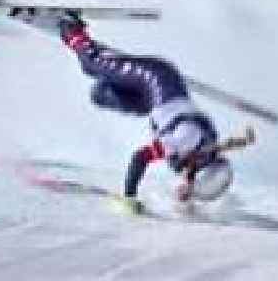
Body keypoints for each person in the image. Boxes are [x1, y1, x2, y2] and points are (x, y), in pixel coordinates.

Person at [57, 11, 233, 207]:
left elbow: (190, 167)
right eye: (191, 185)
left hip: (151, 97)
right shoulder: (186, 141)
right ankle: (71, 29)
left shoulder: (202, 151)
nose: (187, 185)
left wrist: (186, 194)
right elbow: (140, 158)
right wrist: (129, 197)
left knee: (99, 95)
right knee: (91, 65)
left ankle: (108, 69)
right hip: (153, 78)